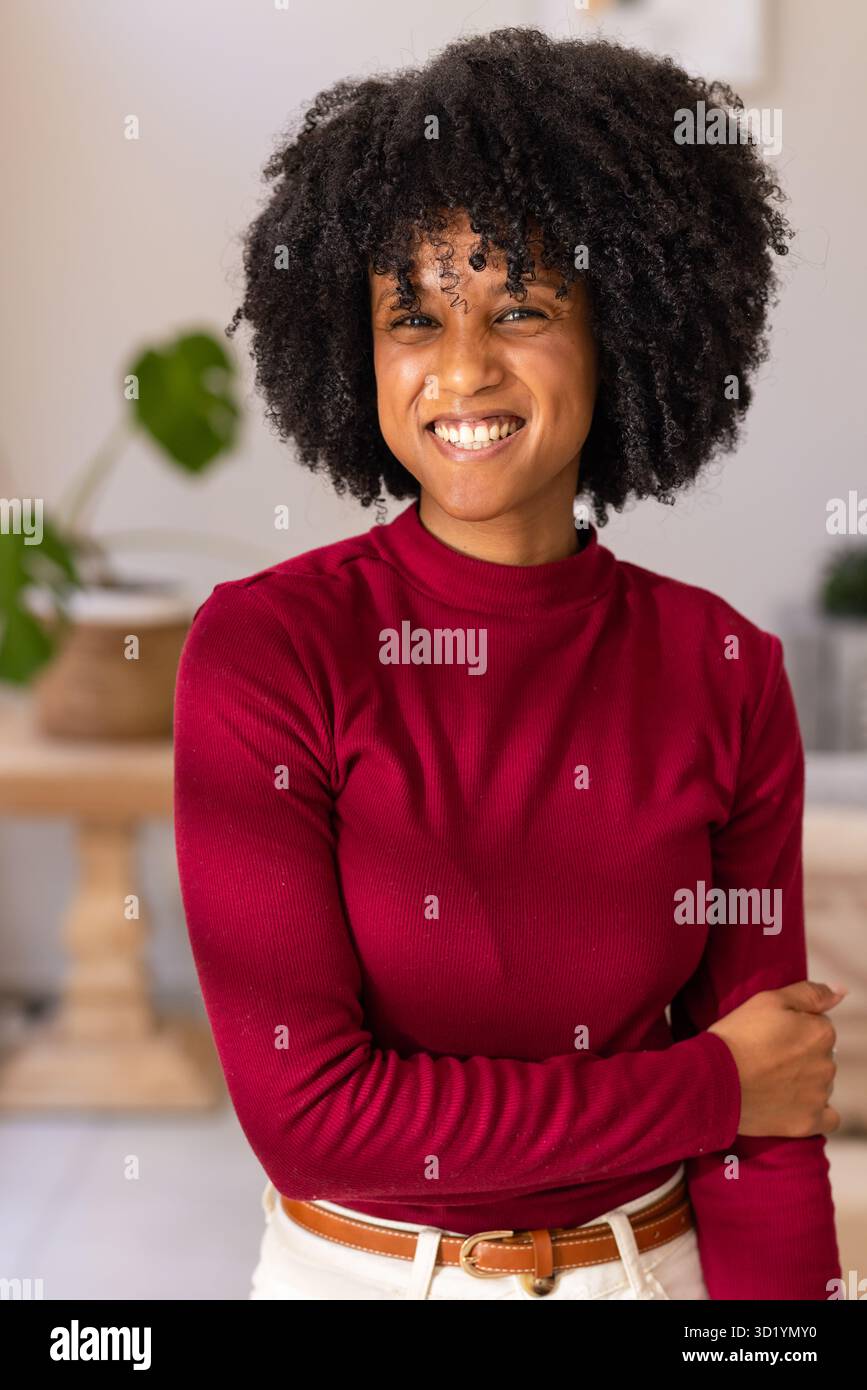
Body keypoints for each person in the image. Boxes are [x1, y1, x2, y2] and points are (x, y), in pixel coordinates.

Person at [173, 28, 844, 1300]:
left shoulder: (725, 667)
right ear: (355, 350)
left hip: (654, 1278)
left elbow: (779, 1109)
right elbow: (313, 1114)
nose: (464, 368)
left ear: (625, 328)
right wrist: (705, 1083)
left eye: (521, 307)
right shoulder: (269, 651)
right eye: (413, 316)